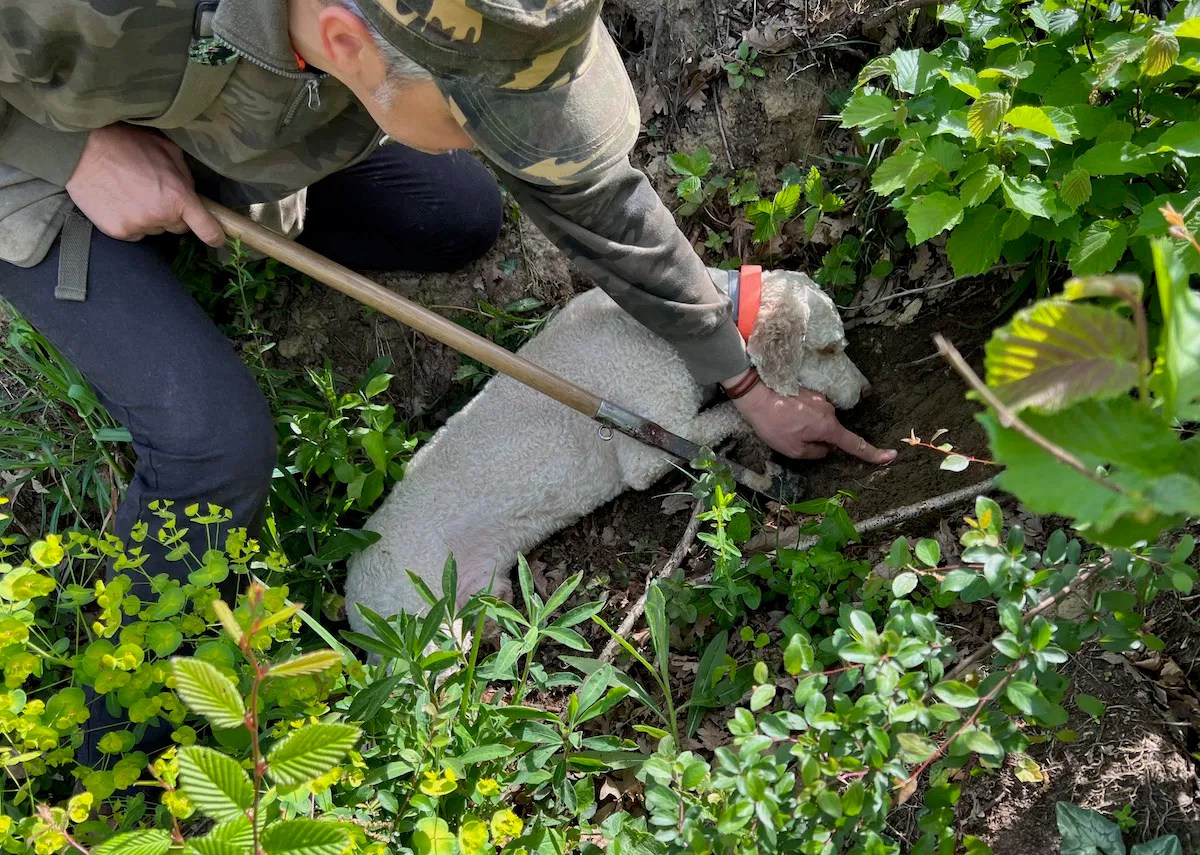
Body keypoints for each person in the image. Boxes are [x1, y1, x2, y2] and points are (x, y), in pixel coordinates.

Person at [0, 0, 895, 762]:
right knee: (216, 445)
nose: (516, 135)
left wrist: (743, 384)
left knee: (456, 213)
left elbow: (591, 196)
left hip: (224, 99)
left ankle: (213, 190)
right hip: (36, 136)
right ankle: (100, 740)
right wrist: (67, 150)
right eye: (486, 112)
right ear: (349, 41)